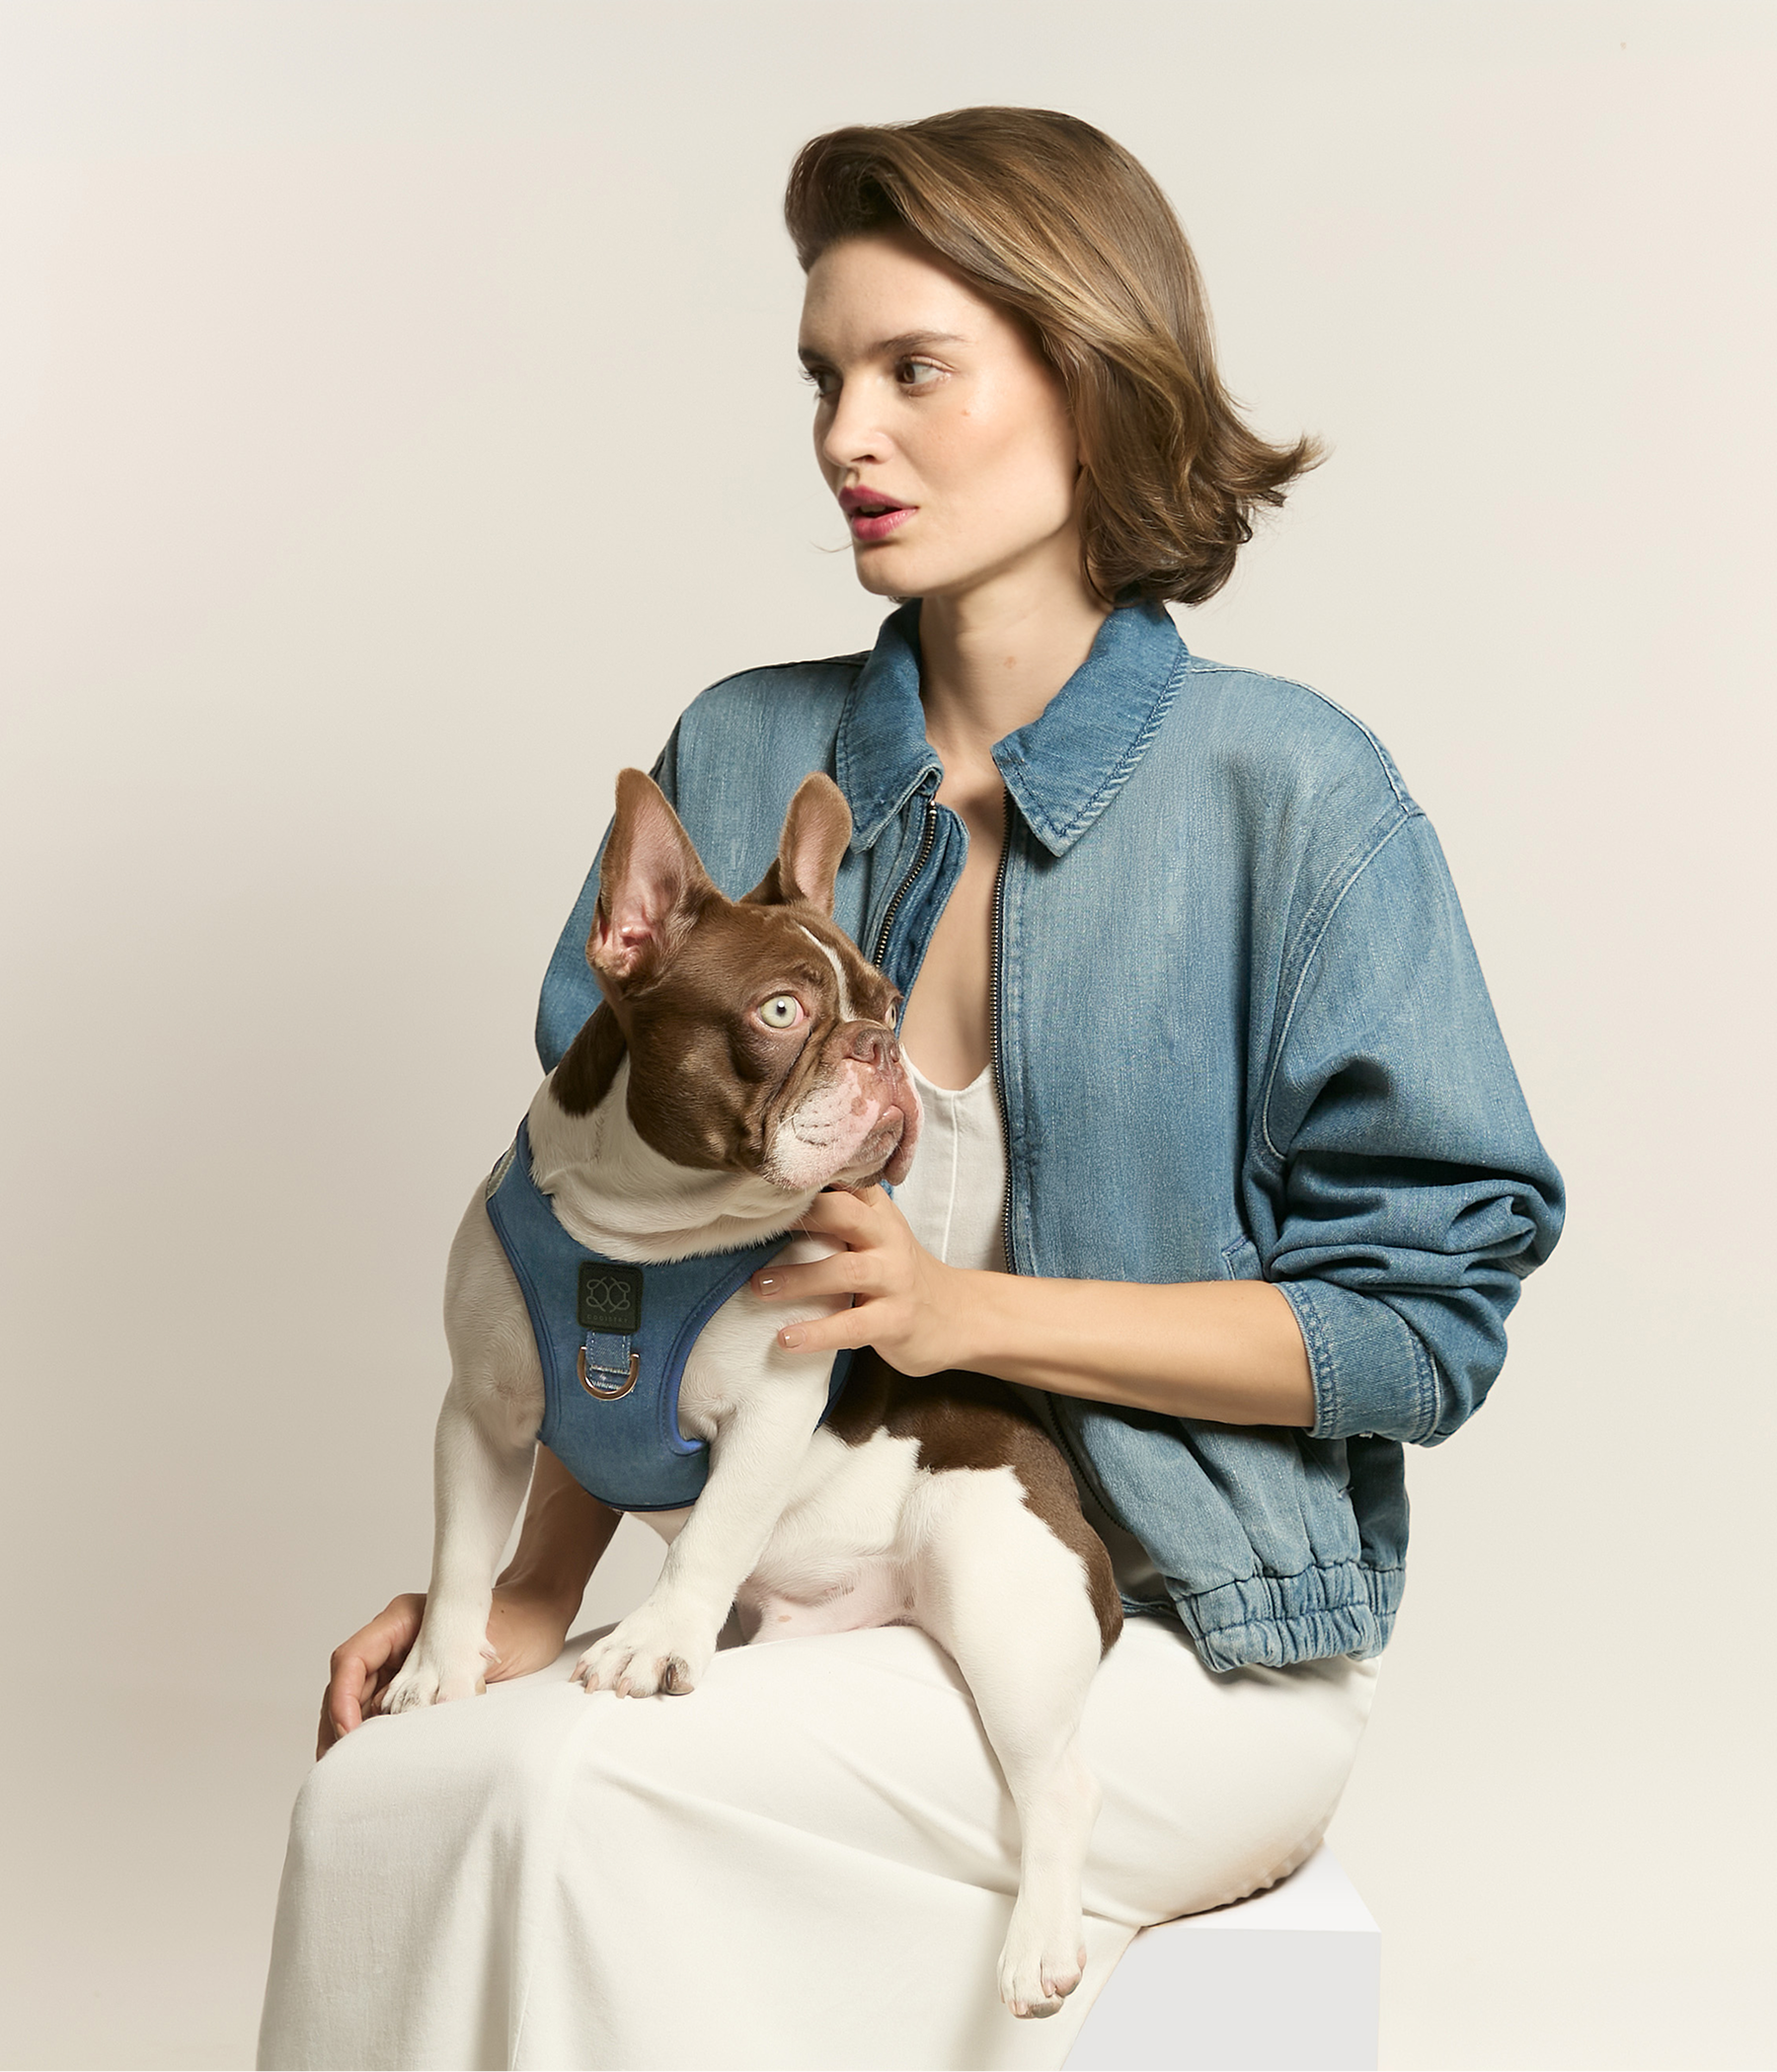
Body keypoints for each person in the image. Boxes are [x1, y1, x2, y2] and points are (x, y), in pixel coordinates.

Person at [259, 108, 1562, 2071]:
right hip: (786, 1581)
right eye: (824, 376)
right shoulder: (743, 747)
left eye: (913, 371)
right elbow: (602, 1242)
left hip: (1175, 1637)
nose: (843, 435)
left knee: (566, 1803)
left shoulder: (1293, 795)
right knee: (380, 1800)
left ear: (1093, 381)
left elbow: (1419, 1331)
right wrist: (525, 1591)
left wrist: (969, 1315)